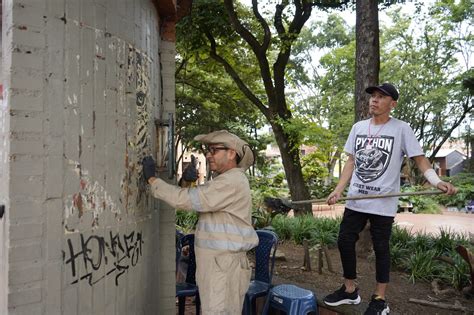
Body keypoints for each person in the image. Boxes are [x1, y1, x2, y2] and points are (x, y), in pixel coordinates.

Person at [323, 83, 457, 315]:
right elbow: (351, 162)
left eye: (381, 97)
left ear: (392, 104)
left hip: (383, 202)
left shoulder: (401, 129)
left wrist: (437, 181)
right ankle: (350, 290)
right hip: (356, 198)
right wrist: (338, 189)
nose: (374, 100)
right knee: (344, 240)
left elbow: (420, 160)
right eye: (372, 96)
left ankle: (379, 298)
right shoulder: (358, 127)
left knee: (381, 248)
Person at [142, 130, 258, 314]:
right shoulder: (225, 180)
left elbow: (187, 200)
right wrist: (187, 182)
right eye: (208, 150)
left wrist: (152, 180)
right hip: (220, 265)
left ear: (231, 153)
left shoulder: (231, 181)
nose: (208, 155)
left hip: (224, 267)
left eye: (214, 150)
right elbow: (198, 200)